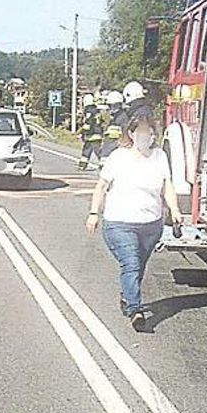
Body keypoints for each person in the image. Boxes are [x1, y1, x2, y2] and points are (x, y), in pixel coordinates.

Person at [86, 109, 182, 332]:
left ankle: (127, 295)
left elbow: (167, 185)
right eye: (139, 132)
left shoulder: (160, 156)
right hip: (119, 223)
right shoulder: (119, 157)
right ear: (130, 133)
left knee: (139, 266)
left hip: (151, 224)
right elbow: (101, 186)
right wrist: (94, 213)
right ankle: (135, 310)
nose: (144, 136)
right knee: (130, 262)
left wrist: (174, 209)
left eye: (148, 132)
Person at [78, 103, 106, 171]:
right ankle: (102, 165)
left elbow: (87, 126)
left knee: (88, 151)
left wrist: (82, 134)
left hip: (91, 136)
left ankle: (83, 165)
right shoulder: (97, 113)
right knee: (97, 151)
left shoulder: (90, 113)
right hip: (97, 135)